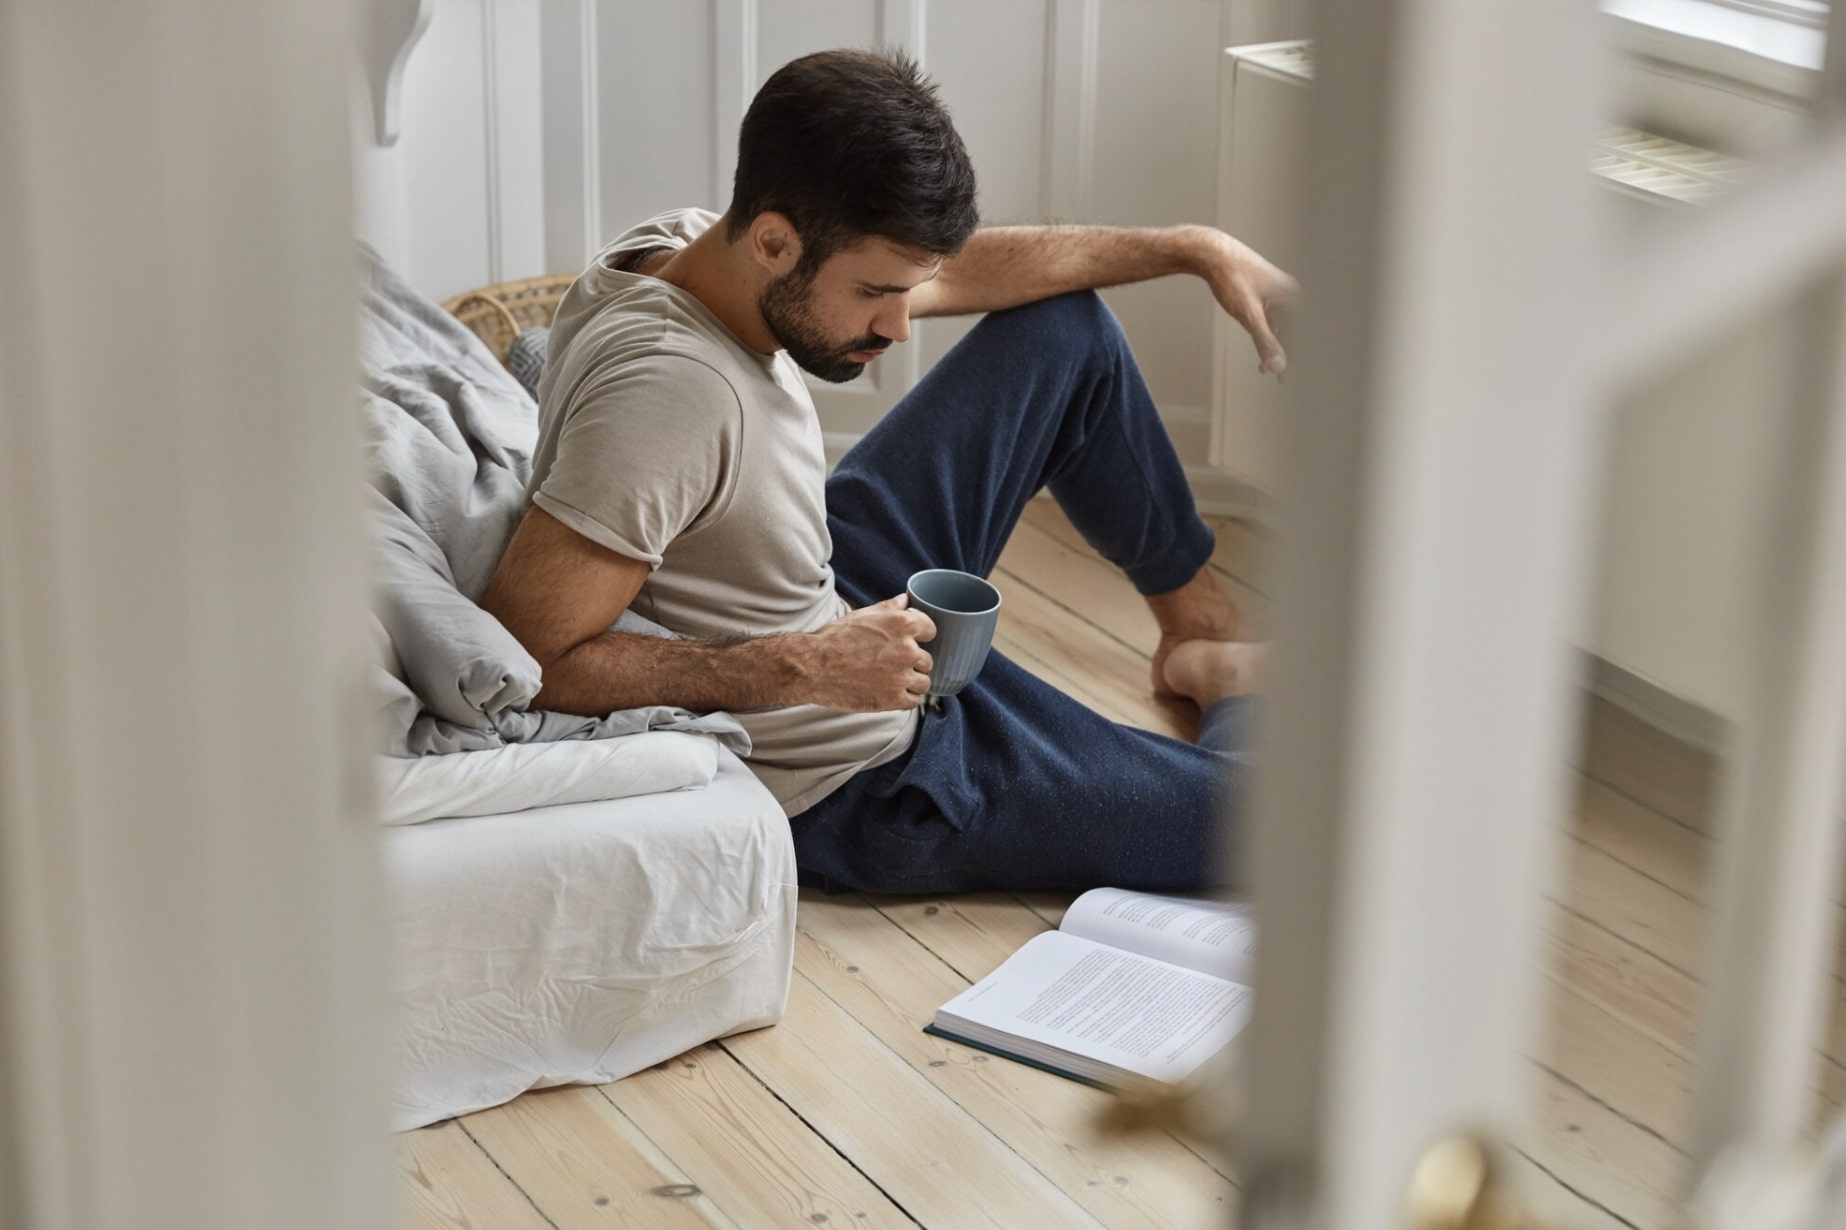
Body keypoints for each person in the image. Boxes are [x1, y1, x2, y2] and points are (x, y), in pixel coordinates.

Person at [481, 47, 1294, 894]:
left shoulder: (684, 244)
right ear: (773, 240)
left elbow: (964, 273)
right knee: (1274, 822)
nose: (902, 327)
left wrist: (1194, 249)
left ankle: (1196, 623)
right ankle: (1222, 680)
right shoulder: (671, 398)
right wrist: (806, 666)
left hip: (830, 582)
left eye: (909, 289)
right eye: (877, 293)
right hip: (861, 772)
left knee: (1067, 334)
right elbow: (531, 656)